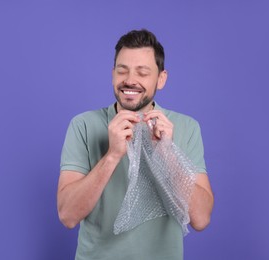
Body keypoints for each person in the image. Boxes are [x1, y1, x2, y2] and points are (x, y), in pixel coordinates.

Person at [57, 29, 214, 260]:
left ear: (161, 79)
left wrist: (167, 153)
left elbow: (201, 218)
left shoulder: (186, 127)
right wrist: (112, 155)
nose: (130, 80)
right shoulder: (83, 125)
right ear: (112, 74)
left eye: (142, 72)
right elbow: (68, 215)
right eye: (122, 71)